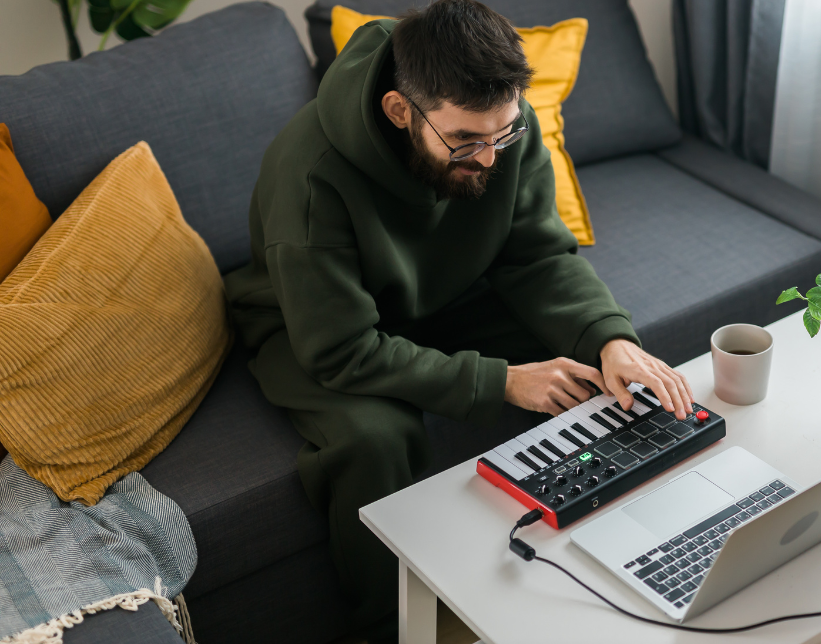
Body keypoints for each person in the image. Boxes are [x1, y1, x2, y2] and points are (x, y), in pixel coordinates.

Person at [223, 0, 694, 639]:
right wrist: (501, 381)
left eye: (504, 134)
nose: (491, 158)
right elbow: (339, 349)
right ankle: (387, 626)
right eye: (466, 141)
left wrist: (609, 338)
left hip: (447, 294)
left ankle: (605, 551)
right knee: (374, 441)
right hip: (313, 325)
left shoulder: (499, 126)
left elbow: (536, 256)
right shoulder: (309, 174)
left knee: (592, 366)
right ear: (399, 110)